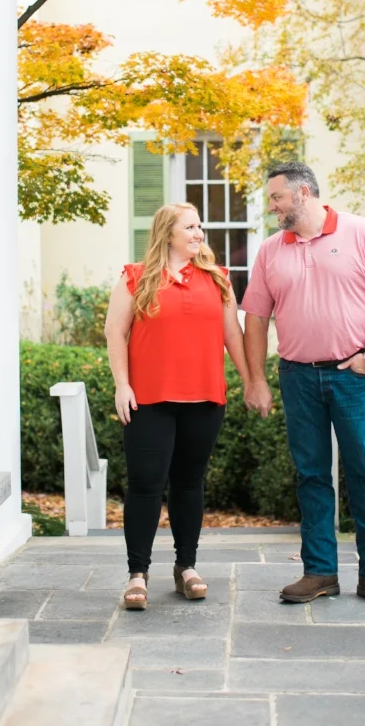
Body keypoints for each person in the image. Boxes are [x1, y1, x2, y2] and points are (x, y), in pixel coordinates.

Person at [242, 162, 365, 607]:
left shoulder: (360, 232)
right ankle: (319, 573)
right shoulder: (271, 251)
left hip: (349, 376)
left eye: (277, 197)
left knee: (364, 473)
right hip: (296, 376)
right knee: (312, 476)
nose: (272, 207)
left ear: (303, 193)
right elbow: (255, 319)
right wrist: (256, 380)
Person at [104, 202, 250, 610]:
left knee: (189, 484)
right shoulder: (135, 277)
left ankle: (186, 567)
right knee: (145, 486)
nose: (199, 233)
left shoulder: (218, 278)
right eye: (190, 227)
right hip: (148, 400)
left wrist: (252, 381)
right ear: (167, 233)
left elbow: (233, 337)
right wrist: (122, 385)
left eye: (200, 226)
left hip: (204, 399)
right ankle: (137, 574)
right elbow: (115, 331)